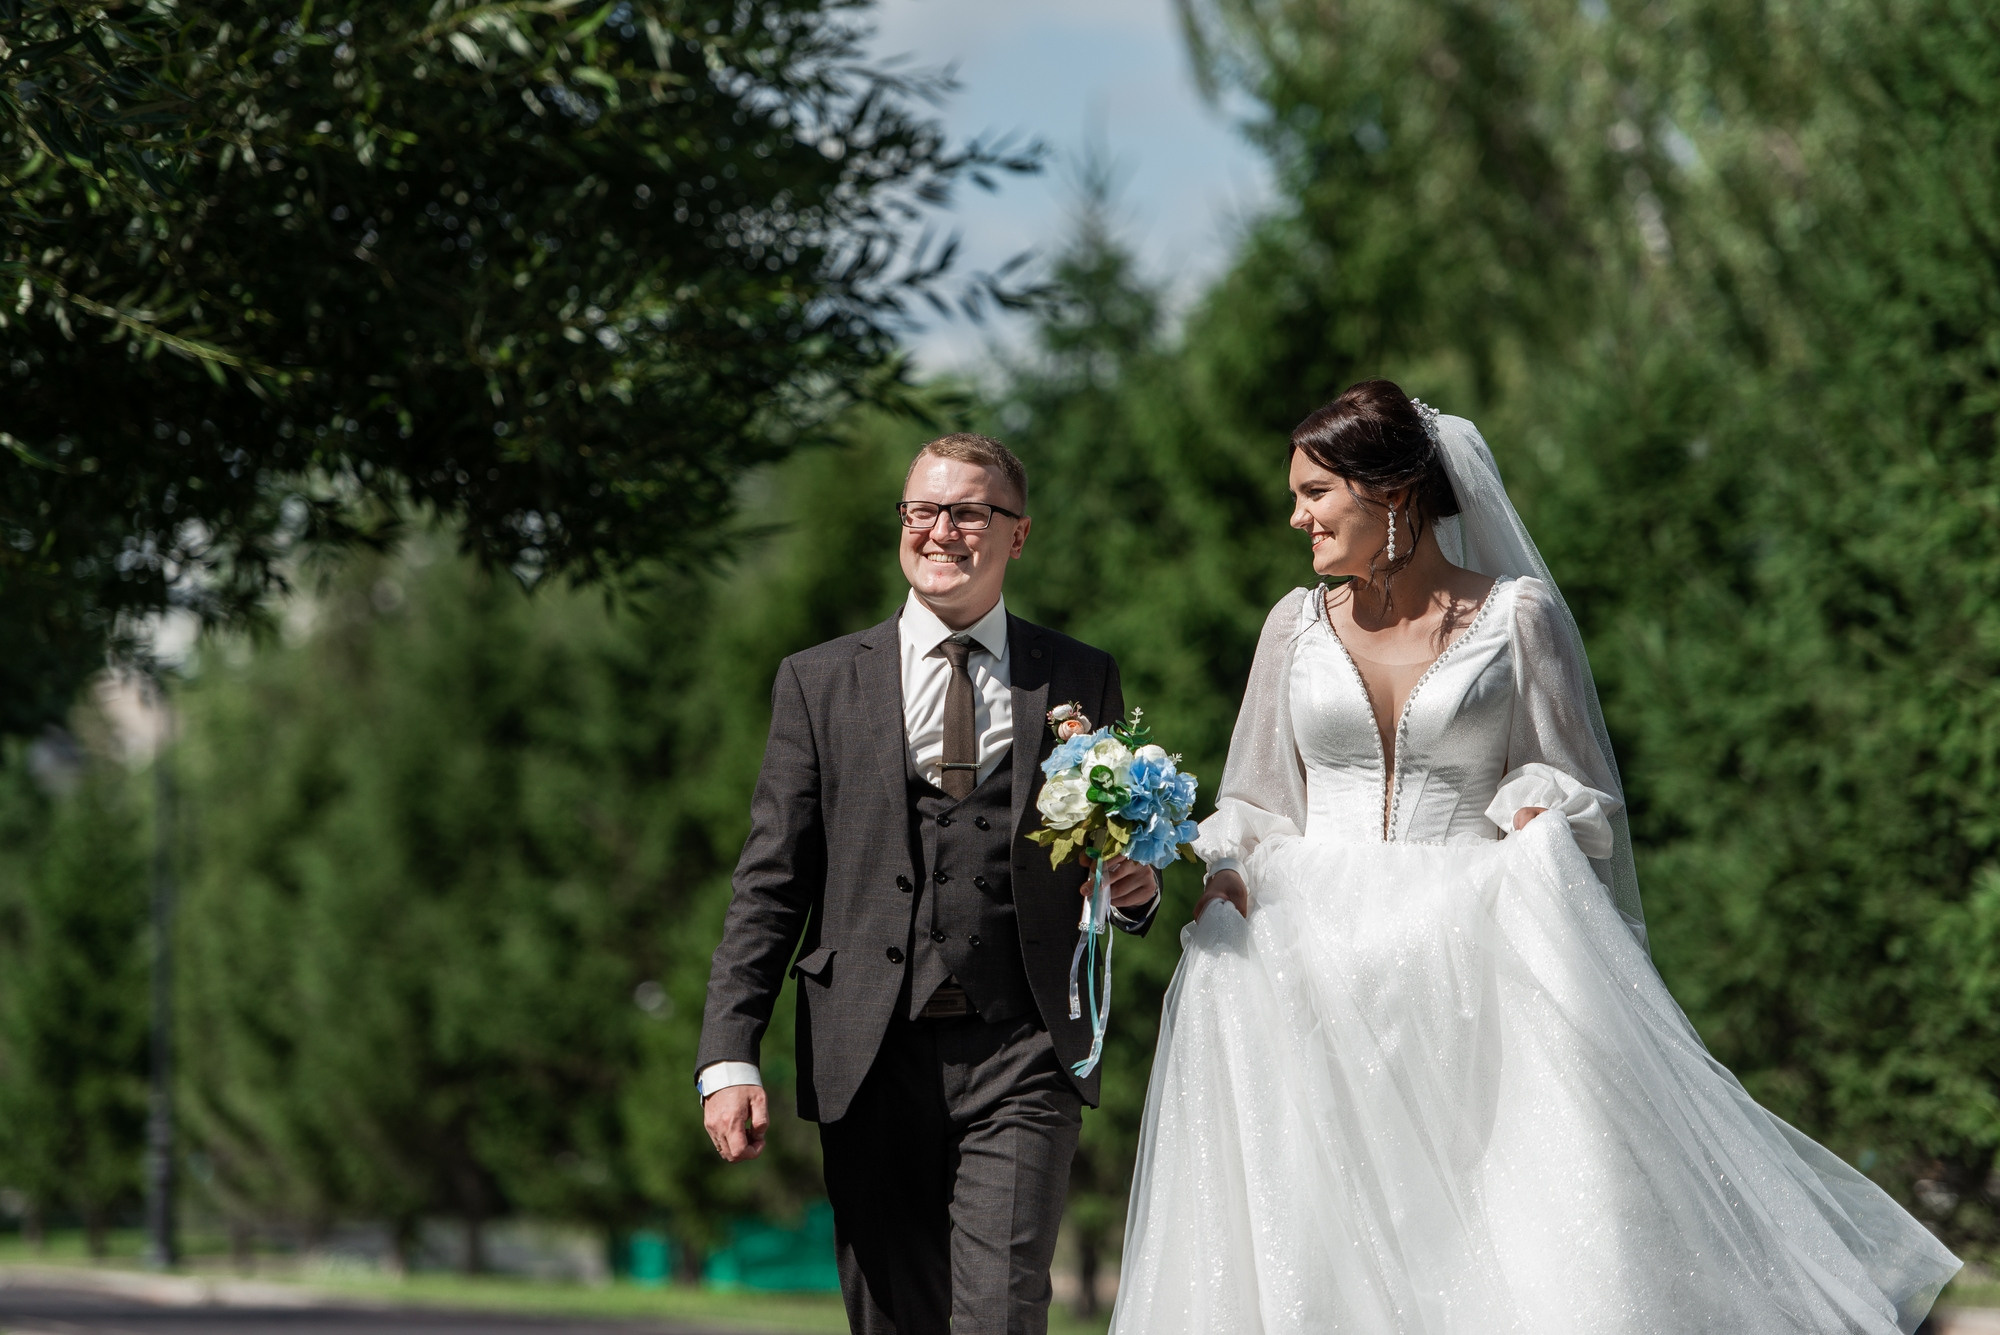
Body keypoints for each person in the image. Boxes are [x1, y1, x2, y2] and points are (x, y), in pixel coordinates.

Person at [1110, 381, 1960, 1334]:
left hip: (1469, 962)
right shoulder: (1291, 626)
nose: (1295, 515)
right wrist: (1225, 871)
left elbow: (1582, 789)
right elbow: (1258, 797)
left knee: (1484, 1233)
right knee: (1315, 1237)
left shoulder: (1518, 617)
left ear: (1389, 492)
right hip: (1301, 964)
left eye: (1315, 492)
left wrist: (1538, 819)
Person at [696, 433, 1161, 1335]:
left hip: (1024, 1047)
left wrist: (1131, 891)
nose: (940, 530)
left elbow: (1106, 852)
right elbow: (770, 880)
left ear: (1016, 535)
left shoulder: (1077, 675)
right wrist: (729, 1052)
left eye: (968, 511)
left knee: (1002, 1310)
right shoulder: (819, 681)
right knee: (895, 1318)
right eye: (922, 509)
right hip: (866, 1051)